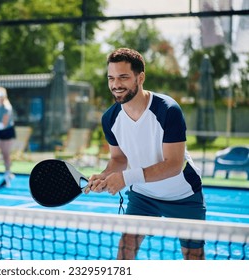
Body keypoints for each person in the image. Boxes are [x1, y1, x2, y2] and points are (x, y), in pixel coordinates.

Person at [85, 48, 206, 260]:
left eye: (123, 77)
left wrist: (125, 178)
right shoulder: (109, 119)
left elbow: (174, 164)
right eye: (111, 78)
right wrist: (105, 175)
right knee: (126, 248)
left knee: (193, 256)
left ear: (140, 77)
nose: (115, 85)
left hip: (183, 195)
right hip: (142, 195)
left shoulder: (168, 109)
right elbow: (119, 159)